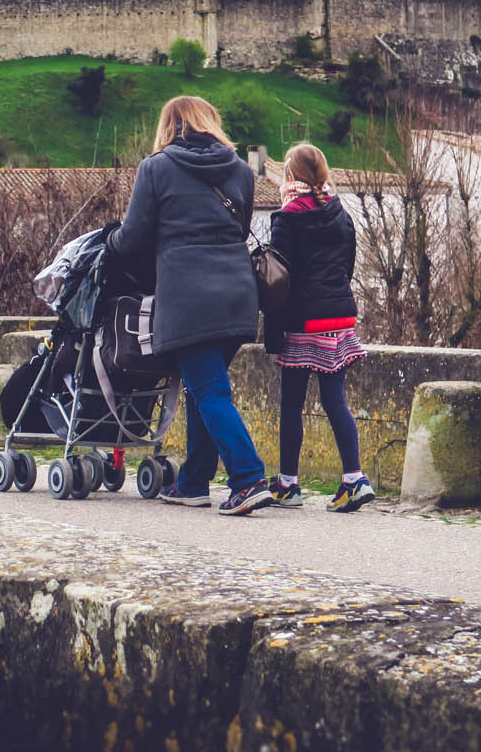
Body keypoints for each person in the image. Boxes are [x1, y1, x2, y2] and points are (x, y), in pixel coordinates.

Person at [107, 96, 273, 516]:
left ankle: (248, 477)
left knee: (212, 391)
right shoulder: (240, 169)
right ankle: (194, 482)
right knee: (205, 388)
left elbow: (134, 238)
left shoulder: (156, 168)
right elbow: (238, 227)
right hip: (238, 296)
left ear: (170, 125)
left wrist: (109, 242)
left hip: (188, 296)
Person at [263, 143, 376, 512]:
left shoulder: (287, 217)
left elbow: (278, 280)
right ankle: (354, 479)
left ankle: (288, 485)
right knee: (334, 400)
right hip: (338, 318)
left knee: (292, 404)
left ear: (290, 176)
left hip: (302, 320)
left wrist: (273, 333)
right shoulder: (340, 212)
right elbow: (347, 265)